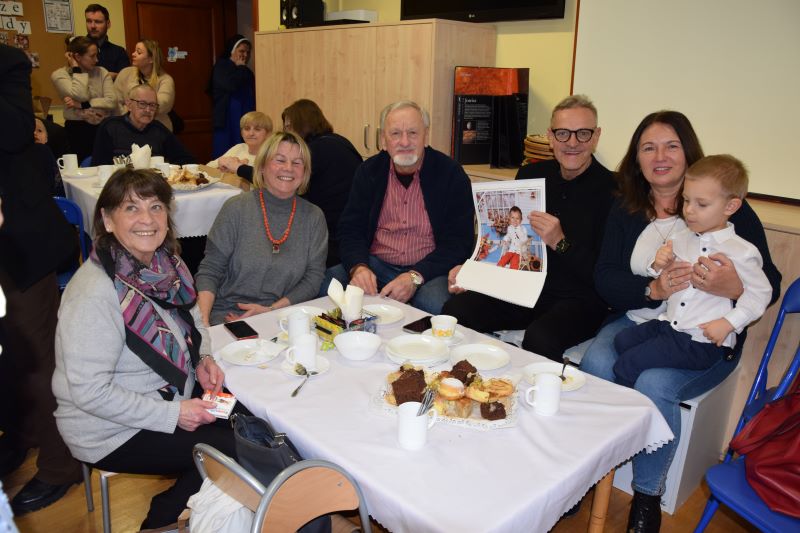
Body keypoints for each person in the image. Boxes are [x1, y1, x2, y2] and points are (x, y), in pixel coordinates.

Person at [579, 111, 781, 533]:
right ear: (636, 158)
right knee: (597, 362)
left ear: (688, 152)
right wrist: (652, 290)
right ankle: (586, 472)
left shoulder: (727, 207)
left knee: (654, 382)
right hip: (645, 318)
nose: (660, 156)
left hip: (703, 334)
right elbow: (605, 277)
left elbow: (769, 285)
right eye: (648, 148)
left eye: (671, 146)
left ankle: (646, 496)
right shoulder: (626, 207)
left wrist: (732, 288)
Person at [52, 168, 236, 529]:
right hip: (108, 428)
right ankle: (162, 518)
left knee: (249, 423)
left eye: (156, 207)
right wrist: (174, 414)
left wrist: (203, 358)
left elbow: (194, 319)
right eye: (131, 208)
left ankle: (196, 499)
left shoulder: (169, 264)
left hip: (170, 392)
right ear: (107, 220)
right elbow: (89, 392)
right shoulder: (94, 293)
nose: (147, 219)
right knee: (232, 451)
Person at [442, 95, 616, 361]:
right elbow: (502, 240)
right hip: (523, 289)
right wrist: (473, 270)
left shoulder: (615, 191)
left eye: (583, 133)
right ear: (550, 137)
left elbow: (606, 276)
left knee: (540, 338)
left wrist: (561, 243)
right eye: (563, 133)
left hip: (580, 300)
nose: (572, 143)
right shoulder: (530, 176)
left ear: (596, 136)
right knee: (456, 311)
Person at [0, 43, 81, 515]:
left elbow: (14, 130)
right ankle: (20, 437)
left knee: (36, 358)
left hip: (18, 245)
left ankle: (59, 464)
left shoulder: (7, 61)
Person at [613, 154, 772, 388]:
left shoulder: (742, 251)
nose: (689, 210)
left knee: (628, 365)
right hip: (670, 325)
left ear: (731, 206)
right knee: (622, 341)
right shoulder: (682, 238)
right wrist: (658, 264)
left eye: (702, 204)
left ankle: (627, 407)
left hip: (700, 340)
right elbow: (660, 275)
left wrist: (729, 323)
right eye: (686, 200)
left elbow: (761, 294)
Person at [328, 100, 474, 315]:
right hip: (376, 265)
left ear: (426, 136)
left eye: (413, 133)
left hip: (430, 271)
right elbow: (350, 229)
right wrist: (359, 267)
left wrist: (414, 276)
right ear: (383, 140)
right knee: (328, 284)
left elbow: (459, 242)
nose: (404, 142)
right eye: (395, 133)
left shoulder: (451, 174)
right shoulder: (368, 172)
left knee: (435, 306)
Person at [196, 131, 327, 326]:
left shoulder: (314, 217)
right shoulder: (236, 208)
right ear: (263, 166)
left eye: (297, 163)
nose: (288, 168)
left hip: (284, 317)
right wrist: (203, 322)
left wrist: (271, 310)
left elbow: (313, 279)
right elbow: (210, 270)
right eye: (280, 160)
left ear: (305, 172)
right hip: (228, 315)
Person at [283, 99, 362, 267]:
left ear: (301, 124)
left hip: (331, 236)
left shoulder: (314, 150)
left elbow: (281, 181)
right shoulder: (340, 141)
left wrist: (239, 168)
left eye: (289, 126)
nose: (286, 133)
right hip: (353, 230)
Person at [50, 35, 116, 162]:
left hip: (102, 127)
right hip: (77, 131)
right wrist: (76, 69)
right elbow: (81, 95)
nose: (96, 60)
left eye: (96, 55)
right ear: (77, 57)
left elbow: (112, 101)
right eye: (92, 56)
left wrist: (82, 105)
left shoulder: (102, 72)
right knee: (83, 168)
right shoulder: (60, 75)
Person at [92, 84, 195, 165]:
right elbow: (99, 165)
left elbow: (186, 159)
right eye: (142, 104)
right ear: (129, 104)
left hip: (152, 182)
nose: (148, 110)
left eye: (152, 105)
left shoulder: (159, 130)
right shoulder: (110, 126)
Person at [115, 39, 176, 131]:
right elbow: (115, 101)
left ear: (151, 59)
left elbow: (162, 105)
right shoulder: (125, 73)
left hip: (156, 129)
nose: (133, 54)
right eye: (134, 51)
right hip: (127, 127)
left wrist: (132, 106)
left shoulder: (165, 79)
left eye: (139, 52)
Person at [210, 35, 255, 158]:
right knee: (224, 153)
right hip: (226, 119)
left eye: (247, 52)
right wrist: (240, 68)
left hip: (244, 117)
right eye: (241, 51)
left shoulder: (246, 71)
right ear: (232, 51)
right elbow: (231, 85)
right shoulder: (221, 67)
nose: (245, 55)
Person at [84, 3, 129, 79]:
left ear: (108, 24)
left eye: (98, 22)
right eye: (89, 21)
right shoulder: (78, 49)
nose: (92, 26)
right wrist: (110, 76)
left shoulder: (119, 52)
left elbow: (126, 79)